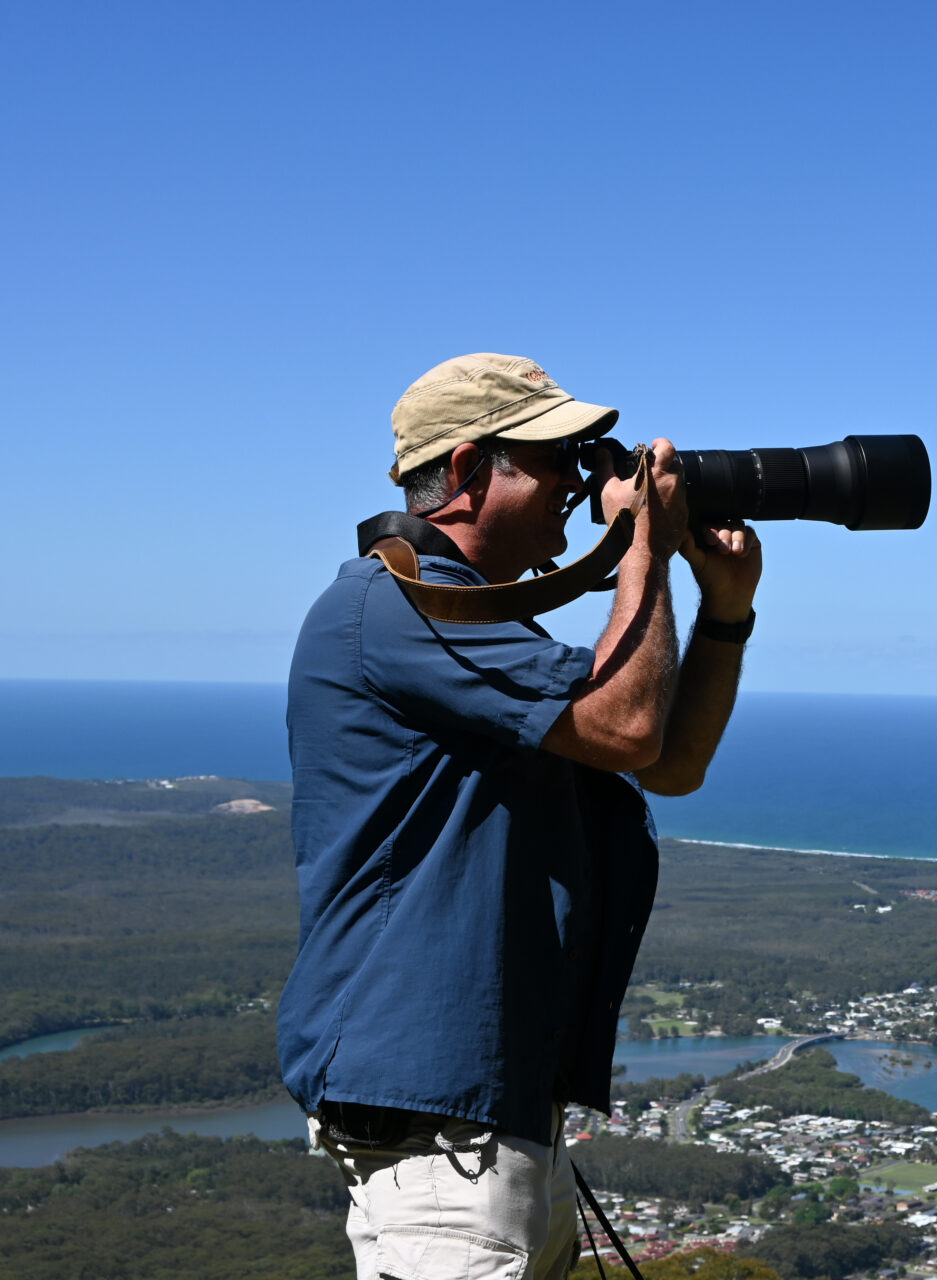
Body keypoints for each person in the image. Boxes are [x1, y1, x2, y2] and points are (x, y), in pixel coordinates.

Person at [280, 353, 761, 1280]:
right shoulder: (402, 609)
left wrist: (726, 611)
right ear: (465, 471)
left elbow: (670, 762)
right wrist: (645, 551)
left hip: (487, 1118)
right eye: (553, 458)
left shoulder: (474, 623)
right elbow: (627, 726)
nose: (580, 484)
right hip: (442, 1136)